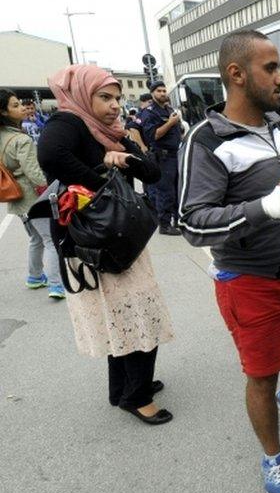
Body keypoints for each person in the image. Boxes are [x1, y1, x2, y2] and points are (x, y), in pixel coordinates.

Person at [178, 29, 280, 493]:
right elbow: (192, 224)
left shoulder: (276, 126)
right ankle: (272, 456)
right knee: (261, 378)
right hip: (249, 284)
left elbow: (279, 196)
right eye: (270, 67)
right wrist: (269, 206)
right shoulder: (205, 140)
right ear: (236, 74)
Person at [36, 64, 175, 425]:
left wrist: (126, 157)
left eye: (117, 97)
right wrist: (101, 173)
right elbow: (50, 157)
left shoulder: (112, 131)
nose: (115, 105)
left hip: (118, 237)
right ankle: (137, 395)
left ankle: (123, 388)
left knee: (122, 314)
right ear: (82, 95)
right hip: (94, 241)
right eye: (105, 97)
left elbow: (153, 173)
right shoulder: (68, 123)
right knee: (137, 312)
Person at [0, 89, 63, 298]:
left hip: (15, 196)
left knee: (36, 238)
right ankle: (56, 284)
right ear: (4, 112)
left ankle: (35, 276)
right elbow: (34, 173)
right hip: (33, 196)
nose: (21, 108)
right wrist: (52, 187)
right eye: (15, 105)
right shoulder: (21, 140)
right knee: (50, 239)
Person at [142, 81, 183, 235]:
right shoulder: (150, 112)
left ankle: (178, 221)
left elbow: (177, 130)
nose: (163, 93)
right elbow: (154, 135)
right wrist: (171, 122)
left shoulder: (169, 109)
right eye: (159, 91)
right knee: (165, 192)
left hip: (175, 155)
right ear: (152, 93)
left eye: (164, 90)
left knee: (178, 190)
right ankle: (164, 225)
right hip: (163, 157)